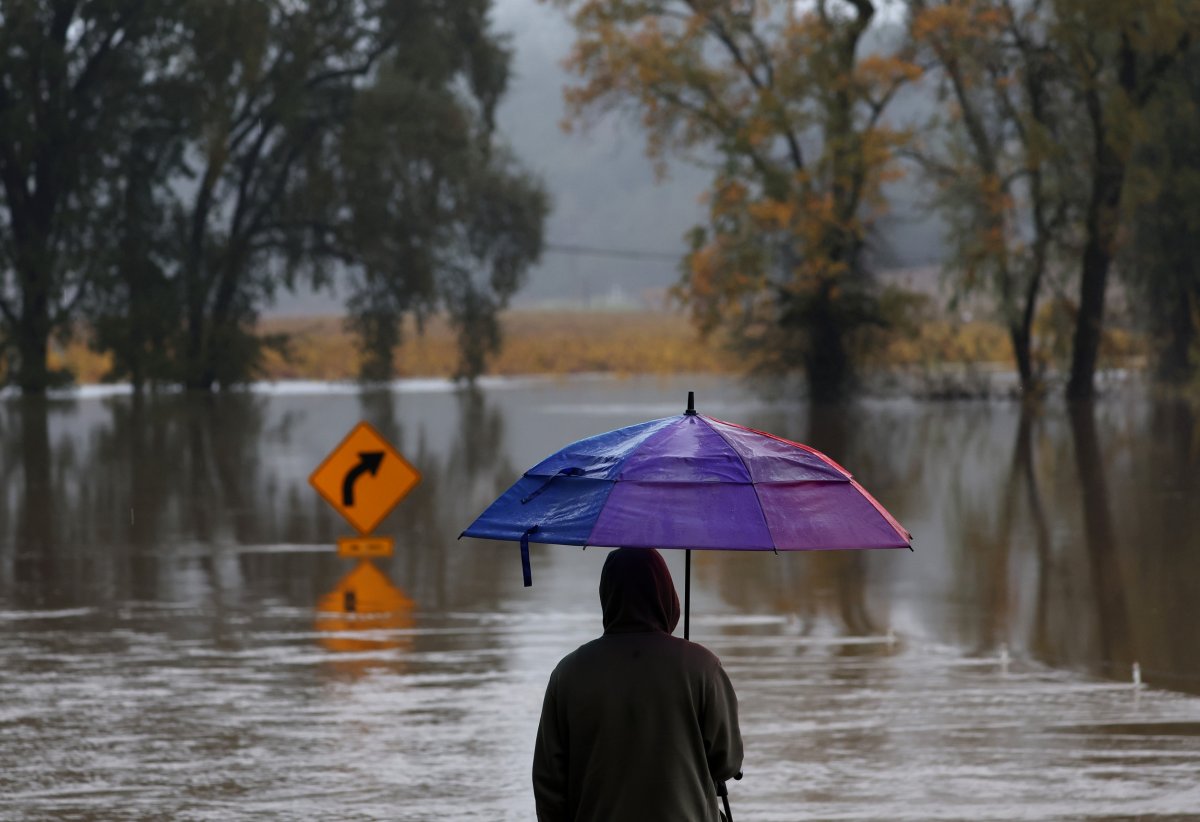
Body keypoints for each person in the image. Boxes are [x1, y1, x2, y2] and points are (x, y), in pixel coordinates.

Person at [532, 547, 743, 822]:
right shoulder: (702, 667)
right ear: (666, 595)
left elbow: (549, 786)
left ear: (607, 596)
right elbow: (727, 762)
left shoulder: (568, 674)